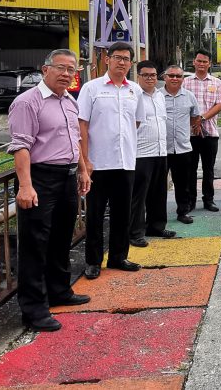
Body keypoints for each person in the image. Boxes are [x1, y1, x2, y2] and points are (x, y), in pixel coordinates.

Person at [8, 48, 92, 332]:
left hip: (67, 176)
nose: (67, 74)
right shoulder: (27, 102)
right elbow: (20, 145)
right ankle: (33, 309)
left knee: (60, 238)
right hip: (40, 178)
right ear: (45, 69)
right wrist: (26, 185)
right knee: (35, 244)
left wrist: (81, 169)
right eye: (61, 68)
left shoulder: (69, 101)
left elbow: (75, 140)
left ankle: (60, 291)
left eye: (72, 70)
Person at [78, 42, 145, 279]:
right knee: (95, 214)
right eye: (117, 58)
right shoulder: (92, 88)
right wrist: (85, 160)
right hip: (97, 163)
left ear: (130, 63)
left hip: (125, 162)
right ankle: (93, 261)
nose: (122, 63)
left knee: (122, 213)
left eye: (127, 59)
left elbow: (136, 122)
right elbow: (82, 125)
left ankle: (118, 257)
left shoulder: (134, 91)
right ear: (107, 59)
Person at [129, 60, 177, 246]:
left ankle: (156, 226)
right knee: (139, 196)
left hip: (160, 151)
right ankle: (135, 233)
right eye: (146, 75)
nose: (150, 78)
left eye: (153, 75)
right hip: (140, 153)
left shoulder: (159, 96)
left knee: (159, 192)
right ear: (138, 76)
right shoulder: (133, 95)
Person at [182, 49, 221, 212]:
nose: (201, 64)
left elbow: (220, 104)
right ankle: (190, 201)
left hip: (210, 134)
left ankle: (209, 200)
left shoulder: (216, 83)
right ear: (194, 62)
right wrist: (193, 121)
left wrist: (202, 118)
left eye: (204, 61)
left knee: (208, 169)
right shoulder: (185, 83)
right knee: (190, 170)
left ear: (209, 64)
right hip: (189, 134)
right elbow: (180, 104)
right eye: (198, 61)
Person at [162, 64, 201, 223]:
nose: (175, 79)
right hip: (161, 149)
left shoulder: (189, 96)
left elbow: (195, 117)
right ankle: (156, 216)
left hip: (183, 148)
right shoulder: (157, 96)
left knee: (183, 184)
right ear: (165, 77)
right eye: (171, 75)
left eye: (178, 76)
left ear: (183, 79)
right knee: (157, 186)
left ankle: (182, 212)